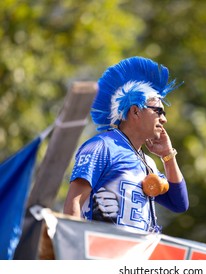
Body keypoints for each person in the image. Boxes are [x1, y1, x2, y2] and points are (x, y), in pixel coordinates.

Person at [63, 56, 189, 233]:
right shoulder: (101, 146)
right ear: (135, 111)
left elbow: (179, 203)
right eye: (158, 111)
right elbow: (74, 203)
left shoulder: (147, 162)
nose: (164, 119)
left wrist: (168, 156)